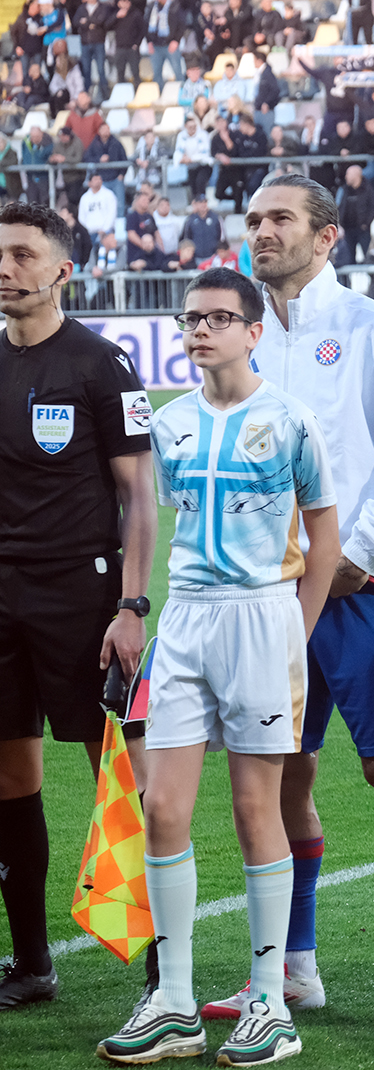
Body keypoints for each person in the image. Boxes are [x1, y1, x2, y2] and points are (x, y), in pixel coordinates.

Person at [199, 174, 374, 1027]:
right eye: (253, 220)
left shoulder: (373, 330)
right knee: (279, 779)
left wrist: (353, 554)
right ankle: (290, 968)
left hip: (358, 592)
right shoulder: (241, 341)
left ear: (328, 235)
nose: (262, 232)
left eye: (279, 219)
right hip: (264, 598)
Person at [96, 268, 340, 1066]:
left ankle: (269, 1002)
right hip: (189, 620)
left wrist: (292, 634)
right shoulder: (169, 426)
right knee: (163, 807)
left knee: (252, 807)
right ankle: (173, 1004)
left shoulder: (292, 419)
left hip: (263, 618)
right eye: (190, 318)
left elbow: (324, 539)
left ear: (253, 329)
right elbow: (151, 519)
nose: (200, 331)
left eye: (217, 318)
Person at [0, 200, 155, 1010]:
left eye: (23, 255)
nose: (5, 268)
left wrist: (131, 604)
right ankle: (32, 965)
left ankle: (167, 974)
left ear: (62, 269)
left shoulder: (102, 364)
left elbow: (140, 497)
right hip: (3, 598)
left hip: (85, 598)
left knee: (119, 777)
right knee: (8, 778)